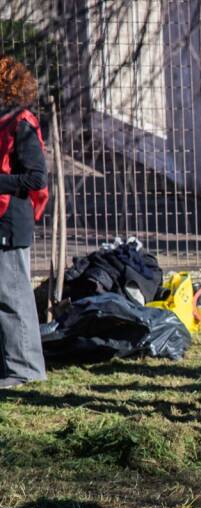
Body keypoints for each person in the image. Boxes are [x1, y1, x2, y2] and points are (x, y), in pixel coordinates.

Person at [0, 56, 48, 389]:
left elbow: (35, 178)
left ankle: (26, 369)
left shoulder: (21, 123)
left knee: (13, 296)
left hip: (10, 220)